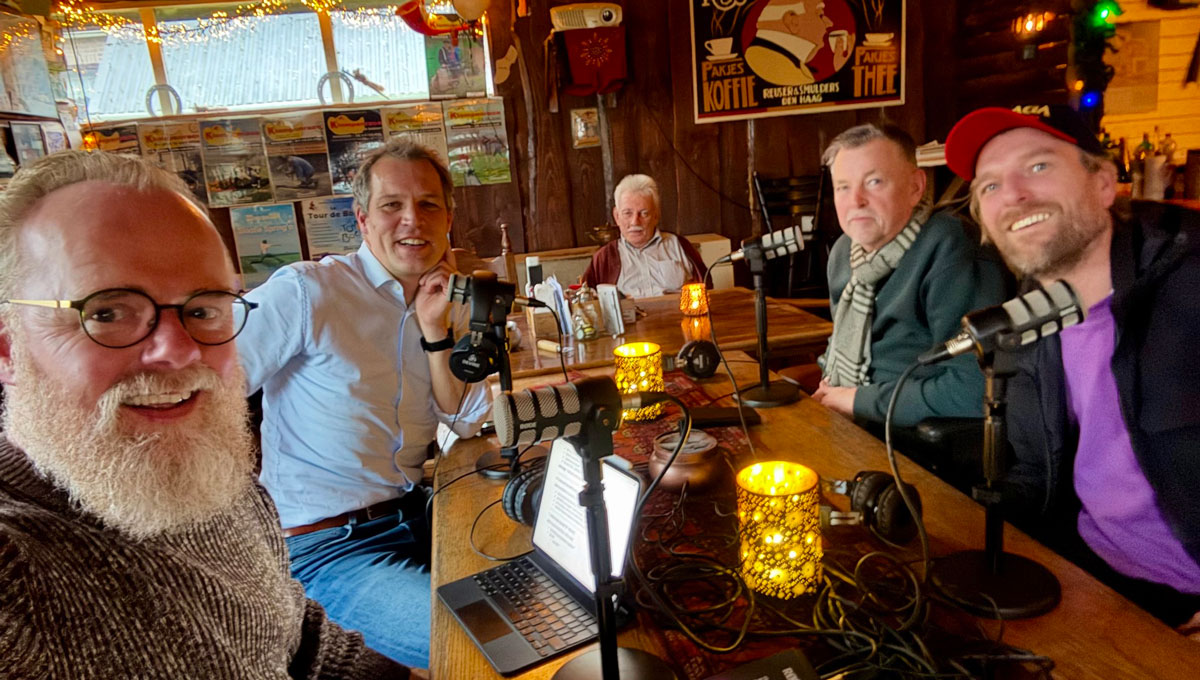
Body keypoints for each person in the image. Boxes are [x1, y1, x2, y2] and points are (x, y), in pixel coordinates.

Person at [0, 150, 413, 678]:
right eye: (106, 312)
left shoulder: (219, 484)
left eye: (202, 310)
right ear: (9, 347)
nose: (178, 350)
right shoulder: (14, 573)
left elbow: (308, 648)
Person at [236, 140, 491, 667]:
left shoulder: (449, 297)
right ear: (362, 219)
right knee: (481, 645)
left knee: (549, 592)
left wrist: (434, 328)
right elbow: (214, 385)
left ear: (448, 218)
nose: (411, 221)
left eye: (428, 205)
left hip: (420, 515)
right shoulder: (308, 292)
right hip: (327, 547)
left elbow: (467, 420)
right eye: (391, 205)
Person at [945, 104, 1200, 631]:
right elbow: (1040, 472)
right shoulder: (1026, 318)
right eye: (989, 186)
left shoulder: (1190, 283)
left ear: (1104, 182)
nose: (1013, 194)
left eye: (1038, 167)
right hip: (1086, 570)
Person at [815, 123, 1006, 427]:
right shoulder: (843, 252)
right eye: (843, 187)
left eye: (874, 182)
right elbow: (841, 345)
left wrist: (856, 400)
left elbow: (974, 390)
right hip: (848, 414)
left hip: (911, 442)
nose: (856, 201)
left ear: (916, 187)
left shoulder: (950, 247)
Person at [582, 174, 707, 298]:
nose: (635, 222)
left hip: (678, 317)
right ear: (616, 216)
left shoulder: (680, 246)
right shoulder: (604, 258)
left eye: (644, 213)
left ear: (656, 215)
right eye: (627, 213)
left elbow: (707, 288)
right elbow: (589, 301)